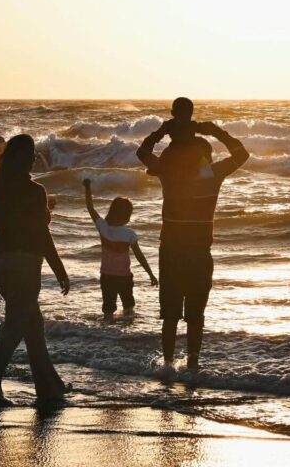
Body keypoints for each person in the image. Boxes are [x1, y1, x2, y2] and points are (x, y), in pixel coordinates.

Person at [136, 98, 249, 373]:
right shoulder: (213, 173)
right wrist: (217, 132)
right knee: (196, 314)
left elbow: (142, 152)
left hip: (171, 251)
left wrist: (161, 132)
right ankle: (194, 365)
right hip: (199, 252)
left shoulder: (167, 171)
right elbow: (242, 155)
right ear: (204, 154)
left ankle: (167, 365)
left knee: (170, 315)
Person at [0, 134, 71, 407]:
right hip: (25, 266)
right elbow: (40, 235)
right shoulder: (34, 191)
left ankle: (49, 385)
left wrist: (43, 214)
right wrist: (60, 269)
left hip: (2, 264)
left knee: (33, 325)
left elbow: (11, 227)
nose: (33, 158)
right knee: (14, 329)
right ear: (25, 158)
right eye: (31, 154)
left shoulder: (0, 189)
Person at [82, 178, 157, 320]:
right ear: (128, 216)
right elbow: (140, 256)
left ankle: (108, 331)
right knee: (128, 307)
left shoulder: (103, 227)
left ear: (111, 211)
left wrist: (87, 188)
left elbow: (90, 208)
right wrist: (150, 274)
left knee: (108, 309)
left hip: (107, 276)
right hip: (125, 277)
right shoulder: (129, 234)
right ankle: (126, 334)